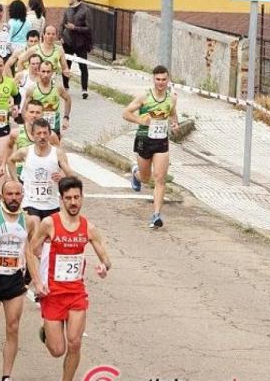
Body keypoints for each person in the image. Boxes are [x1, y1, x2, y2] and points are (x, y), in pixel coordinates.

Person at [26, 177, 112, 381]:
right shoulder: (50, 223)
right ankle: (46, 332)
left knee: (75, 343)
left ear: (82, 198)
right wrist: (37, 282)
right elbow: (30, 251)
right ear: (61, 200)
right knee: (57, 350)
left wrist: (104, 266)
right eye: (68, 198)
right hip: (53, 293)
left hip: (76, 293)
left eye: (77, 197)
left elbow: (106, 258)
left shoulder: (88, 227)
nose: (73, 202)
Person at [0, 179, 34, 381]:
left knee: (13, 326)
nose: (14, 198)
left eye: (17, 194)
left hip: (14, 280)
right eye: (9, 194)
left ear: (23, 195)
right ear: (2, 196)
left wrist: (37, 281)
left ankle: (6, 376)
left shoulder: (29, 221)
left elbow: (30, 252)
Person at [123, 65, 179, 228]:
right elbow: (125, 113)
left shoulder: (172, 98)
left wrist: (175, 124)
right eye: (158, 79)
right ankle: (136, 174)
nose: (161, 83)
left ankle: (156, 215)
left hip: (161, 141)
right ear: (153, 79)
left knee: (160, 178)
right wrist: (141, 121)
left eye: (164, 80)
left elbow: (173, 112)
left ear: (168, 80)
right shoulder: (144, 97)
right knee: (146, 178)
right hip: (144, 140)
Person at [6, 118, 74, 220]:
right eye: (39, 133)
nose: (42, 137)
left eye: (45, 133)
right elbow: (10, 161)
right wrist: (16, 181)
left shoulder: (58, 153)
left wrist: (62, 179)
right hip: (30, 203)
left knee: (49, 234)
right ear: (33, 135)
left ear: (49, 134)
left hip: (51, 204)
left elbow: (71, 176)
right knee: (34, 230)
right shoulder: (25, 152)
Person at [23, 60, 73, 137]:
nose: (46, 75)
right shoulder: (32, 89)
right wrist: (27, 125)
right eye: (43, 71)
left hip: (53, 129)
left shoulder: (58, 88)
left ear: (52, 73)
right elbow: (25, 109)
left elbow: (68, 99)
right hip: (37, 129)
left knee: (55, 148)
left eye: (48, 71)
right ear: (38, 72)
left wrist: (66, 118)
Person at [59, 0, 93, 98]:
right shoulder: (68, 10)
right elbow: (62, 24)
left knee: (83, 66)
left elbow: (89, 28)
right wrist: (60, 36)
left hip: (80, 43)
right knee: (66, 65)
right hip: (67, 41)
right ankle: (66, 87)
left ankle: (84, 89)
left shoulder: (85, 10)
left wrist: (75, 28)